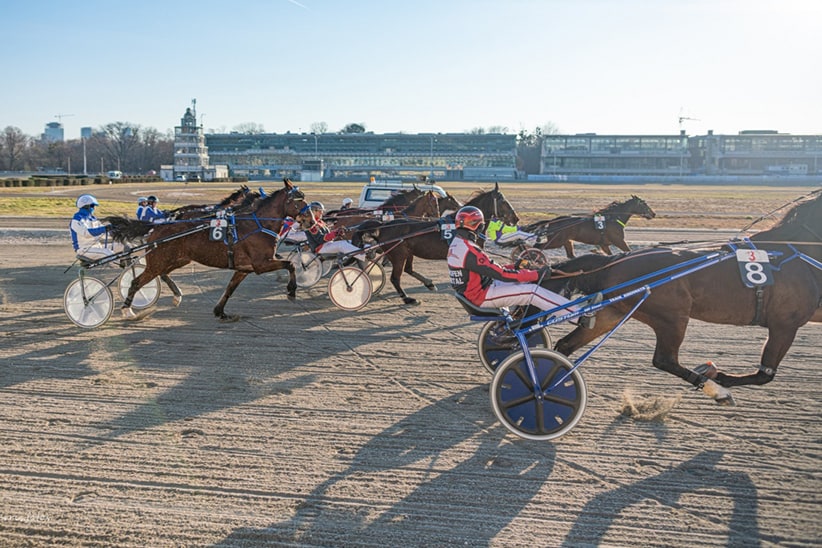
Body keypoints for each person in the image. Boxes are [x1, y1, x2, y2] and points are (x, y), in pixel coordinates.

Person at [447, 206, 598, 328]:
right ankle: (578, 317)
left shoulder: (458, 244)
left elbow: (488, 269)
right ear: (478, 226)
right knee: (532, 292)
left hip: (479, 289)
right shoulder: (469, 250)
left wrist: (516, 266)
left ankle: (541, 311)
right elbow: (502, 274)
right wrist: (536, 275)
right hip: (481, 296)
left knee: (526, 284)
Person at [299, 201, 367, 263]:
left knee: (347, 241)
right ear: (314, 212)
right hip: (320, 248)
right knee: (342, 245)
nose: (322, 213)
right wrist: (336, 233)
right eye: (320, 211)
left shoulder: (320, 222)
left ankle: (367, 248)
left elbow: (328, 234)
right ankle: (363, 255)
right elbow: (321, 239)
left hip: (327, 245)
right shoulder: (312, 225)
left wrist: (338, 231)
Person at [70, 194, 124, 263]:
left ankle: (138, 264)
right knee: (107, 252)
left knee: (122, 245)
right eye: (92, 206)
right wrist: (105, 228)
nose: (94, 208)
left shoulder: (93, 219)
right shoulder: (76, 220)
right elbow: (87, 233)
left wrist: (116, 231)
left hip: (98, 247)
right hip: (84, 250)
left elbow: (103, 234)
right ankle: (126, 266)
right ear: (86, 206)